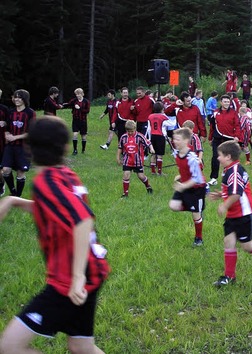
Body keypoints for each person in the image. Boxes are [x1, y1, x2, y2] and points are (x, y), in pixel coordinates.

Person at [0, 116, 110, 353]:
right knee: (81, 346)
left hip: (69, 280)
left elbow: (81, 219)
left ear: (29, 147)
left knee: (9, 346)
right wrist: (14, 201)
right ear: (65, 147)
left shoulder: (46, 181)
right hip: (94, 268)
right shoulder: (65, 175)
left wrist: (77, 276)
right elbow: (55, 208)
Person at [208, 141, 252, 286]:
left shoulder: (234, 171)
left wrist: (224, 205)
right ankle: (229, 276)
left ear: (228, 156)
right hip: (233, 215)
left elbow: (237, 194)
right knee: (229, 242)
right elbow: (235, 190)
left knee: (246, 246)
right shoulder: (229, 169)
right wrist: (222, 194)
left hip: (245, 215)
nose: (217, 158)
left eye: (219, 155)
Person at [168, 128, 207, 246]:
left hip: (197, 189)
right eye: (174, 139)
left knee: (196, 215)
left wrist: (183, 185)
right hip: (184, 185)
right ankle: (192, 207)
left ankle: (198, 238)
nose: (175, 141)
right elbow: (185, 169)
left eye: (177, 139)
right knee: (173, 206)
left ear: (186, 141)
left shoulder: (192, 158)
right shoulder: (176, 153)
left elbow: (197, 178)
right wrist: (180, 176)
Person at [2, 89, 35, 197]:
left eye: (19, 97)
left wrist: (15, 137)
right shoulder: (11, 112)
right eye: (15, 97)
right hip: (10, 147)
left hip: (23, 147)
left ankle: (18, 196)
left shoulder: (30, 113)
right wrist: (7, 134)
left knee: (21, 172)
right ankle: (13, 191)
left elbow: (31, 132)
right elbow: (6, 127)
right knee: (6, 170)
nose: (16, 99)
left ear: (24, 99)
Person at [209, 94, 241, 186]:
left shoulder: (233, 112)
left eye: (228, 102)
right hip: (217, 138)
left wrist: (237, 136)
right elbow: (212, 126)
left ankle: (227, 176)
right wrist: (210, 138)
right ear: (221, 102)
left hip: (229, 138)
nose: (226, 103)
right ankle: (213, 178)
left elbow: (237, 125)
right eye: (225, 101)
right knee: (215, 157)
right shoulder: (215, 113)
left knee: (228, 158)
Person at [116, 120, 154, 197]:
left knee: (141, 176)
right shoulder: (123, 137)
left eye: (132, 131)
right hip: (127, 160)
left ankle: (148, 186)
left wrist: (151, 149)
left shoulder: (139, 136)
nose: (130, 133)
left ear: (135, 129)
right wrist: (118, 158)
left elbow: (148, 143)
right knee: (126, 175)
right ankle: (125, 194)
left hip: (138, 161)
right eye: (128, 131)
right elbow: (120, 147)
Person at [62, 88, 91, 155]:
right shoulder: (74, 101)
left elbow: (87, 111)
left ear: (82, 94)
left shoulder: (86, 101)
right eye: (76, 94)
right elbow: (68, 104)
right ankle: (75, 150)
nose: (77, 95)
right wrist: (61, 105)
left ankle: (83, 150)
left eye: (79, 94)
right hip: (75, 120)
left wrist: (79, 108)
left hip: (83, 121)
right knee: (75, 134)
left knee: (83, 136)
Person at [148, 101, 171, 175]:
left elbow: (149, 128)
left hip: (153, 136)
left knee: (153, 154)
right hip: (160, 136)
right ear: (162, 109)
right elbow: (171, 123)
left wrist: (148, 138)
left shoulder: (150, 116)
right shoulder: (163, 117)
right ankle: (160, 171)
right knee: (160, 155)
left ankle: (153, 171)